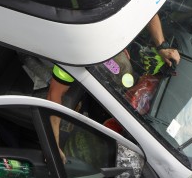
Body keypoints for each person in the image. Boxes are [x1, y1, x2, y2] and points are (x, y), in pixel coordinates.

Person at [47, 14, 180, 162]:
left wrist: (162, 47)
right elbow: (54, 95)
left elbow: (148, 11)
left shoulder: (112, 16)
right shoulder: (72, 55)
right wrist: (53, 144)